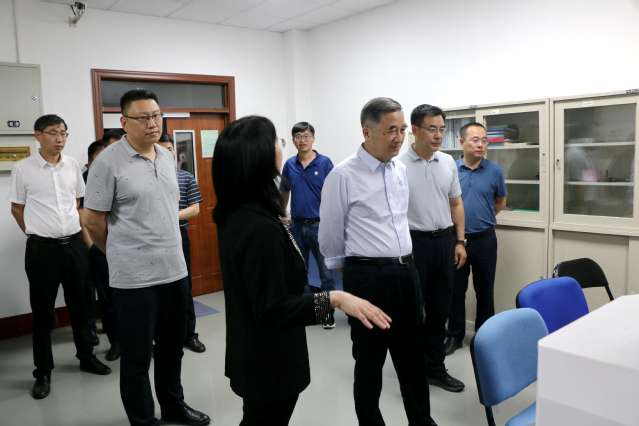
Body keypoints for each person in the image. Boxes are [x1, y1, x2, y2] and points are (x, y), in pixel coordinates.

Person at [213, 115, 391, 426]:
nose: (282, 147)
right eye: (276, 142)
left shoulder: (240, 210)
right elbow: (273, 310)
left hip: (257, 352)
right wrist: (334, 300)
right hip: (268, 360)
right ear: (258, 156)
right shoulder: (258, 226)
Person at [83, 89, 210, 426]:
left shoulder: (166, 156)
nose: (152, 123)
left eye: (156, 115)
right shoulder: (107, 162)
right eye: (143, 117)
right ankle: (143, 420)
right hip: (134, 278)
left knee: (171, 348)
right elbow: (92, 220)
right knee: (138, 356)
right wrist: (119, 253)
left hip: (174, 270)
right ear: (124, 122)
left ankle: (173, 406)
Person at [319, 97, 437, 426]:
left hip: (407, 272)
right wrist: (358, 273)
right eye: (391, 131)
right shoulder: (342, 175)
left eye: (402, 129)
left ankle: (422, 422)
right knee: (370, 363)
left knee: (413, 360)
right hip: (368, 278)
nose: (399, 138)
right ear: (367, 132)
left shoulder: (400, 169)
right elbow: (330, 237)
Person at [8, 114, 111, 400]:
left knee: (81, 305)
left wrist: (86, 242)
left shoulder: (73, 165)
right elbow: (17, 208)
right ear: (37, 135)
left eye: (63, 133)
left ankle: (86, 357)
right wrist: (34, 233)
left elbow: (77, 204)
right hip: (42, 250)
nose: (60, 139)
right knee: (43, 312)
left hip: (74, 245)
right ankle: (43, 372)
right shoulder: (23, 169)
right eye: (53, 133)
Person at [397, 104, 466, 393]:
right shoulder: (397, 166)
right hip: (414, 246)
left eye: (442, 129)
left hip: (445, 243)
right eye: (432, 129)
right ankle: (413, 370)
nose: (438, 135)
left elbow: (456, 203)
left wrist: (460, 241)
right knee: (412, 313)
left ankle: (435, 367)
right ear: (414, 130)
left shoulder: (448, 162)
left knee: (439, 309)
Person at [445, 122, 507, 356]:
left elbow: (500, 201)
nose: (480, 145)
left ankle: (484, 336)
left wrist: (483, 219)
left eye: (484, 140)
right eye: (475, 140)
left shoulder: (494, 170)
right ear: (462, 143)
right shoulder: (450, 168)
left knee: (485, 290)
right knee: (455, 290)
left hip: (485, 240)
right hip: (455, 241)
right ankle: (455, 335)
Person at [280, 122, 337, 321]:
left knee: (326, 274)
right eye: (298, 137)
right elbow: (284, 191)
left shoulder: (325, 163)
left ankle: (325, 314)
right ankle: (305, 313)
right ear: (293, 141)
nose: (302, 140)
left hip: (319, 226)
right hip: (296, 226)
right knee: (299, 273)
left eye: (306, 136)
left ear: (313, 138)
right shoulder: (289, 164)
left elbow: (334, 193)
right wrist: (282, 212)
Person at [157, 133, 206, 353]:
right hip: (152, 238)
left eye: (169, 148)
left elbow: (195, 209)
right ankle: (159, 338)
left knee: (184, 287)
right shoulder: (146, 177)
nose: (165, 152)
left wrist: (168, 216)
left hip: (178, 235)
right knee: (157, 290)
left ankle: (189, 335)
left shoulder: (185, 177)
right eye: (160, 148)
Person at [80, 140, 121, 361]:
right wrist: (95, 245)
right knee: (108, 297)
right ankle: (116, 342)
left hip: (127, 244)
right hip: (103, 245)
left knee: (133, 296)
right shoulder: (89, 177)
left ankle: (140, 340)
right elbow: (86, 216)